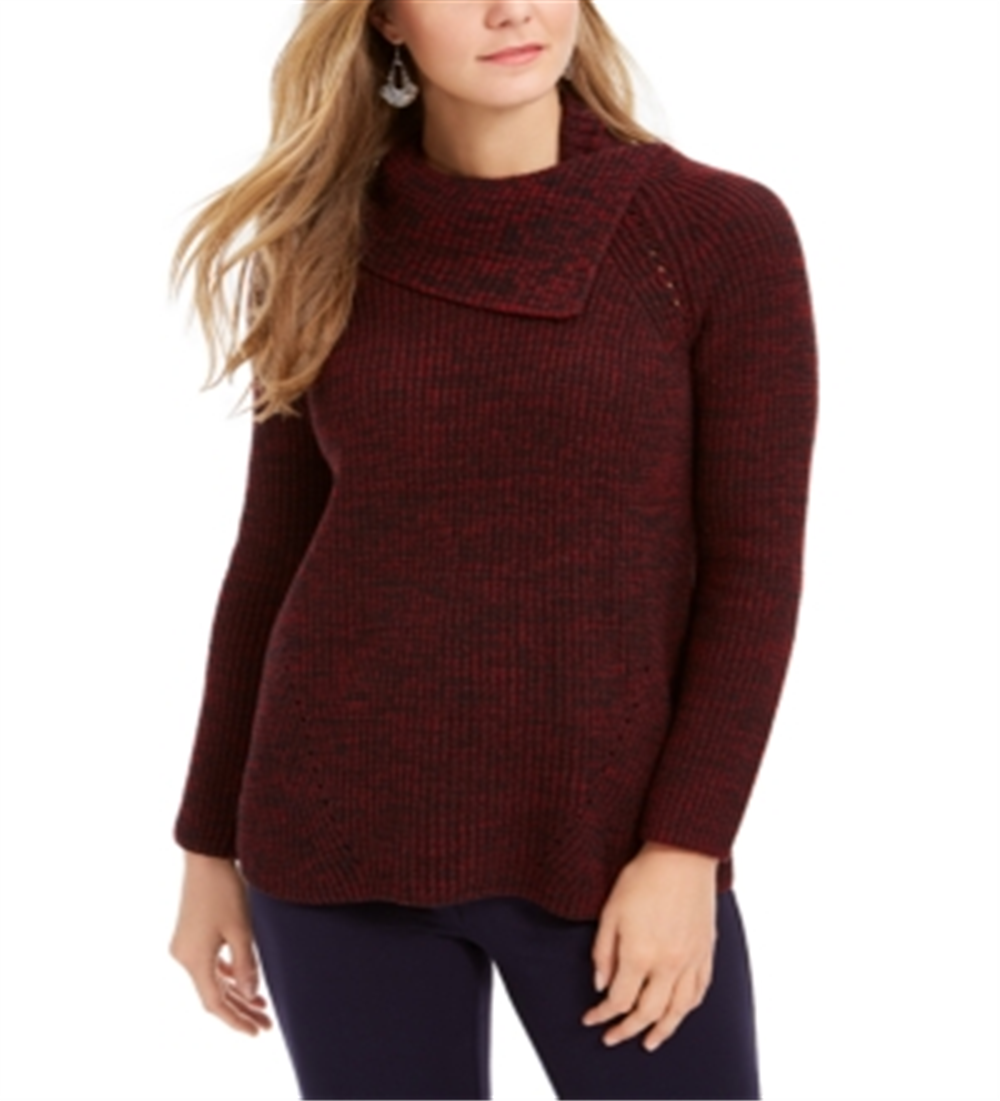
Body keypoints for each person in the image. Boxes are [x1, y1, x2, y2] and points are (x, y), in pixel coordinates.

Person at [167, 1, 818, 1097]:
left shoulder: (715, 233)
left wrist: (686, 848)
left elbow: (753, 573)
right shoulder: (321, 239)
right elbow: (271, 558)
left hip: (608, 845)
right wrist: (207, 846)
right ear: (384, 19)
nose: (511, 8)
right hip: (332, 835)